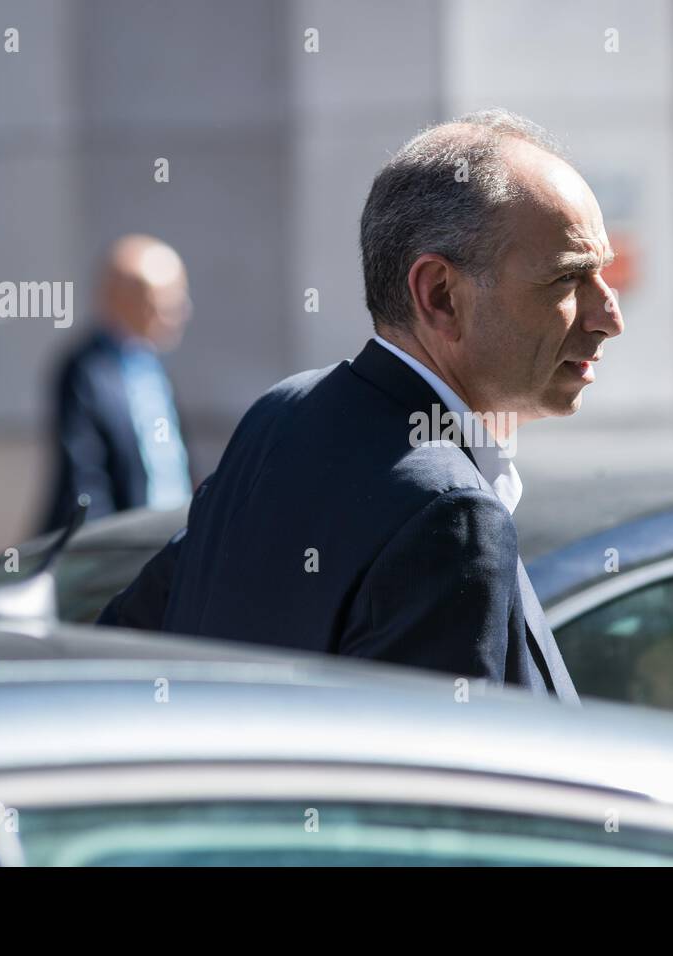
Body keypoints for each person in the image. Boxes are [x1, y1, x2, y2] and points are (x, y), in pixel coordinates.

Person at [102, 110, 624, 702]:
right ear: (440, 296)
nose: (609, 317)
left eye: (603, 276)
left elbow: (124, 648)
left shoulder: (284, 413)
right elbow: (436, 790)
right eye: (568, 279)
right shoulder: (449, 516)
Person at [41, 235, 194, 531]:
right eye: (166, 301)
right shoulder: (87, 370)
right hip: (123, 551)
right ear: (125, 300)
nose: (181, 312)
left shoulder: (151, 368)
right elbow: (85, 480)